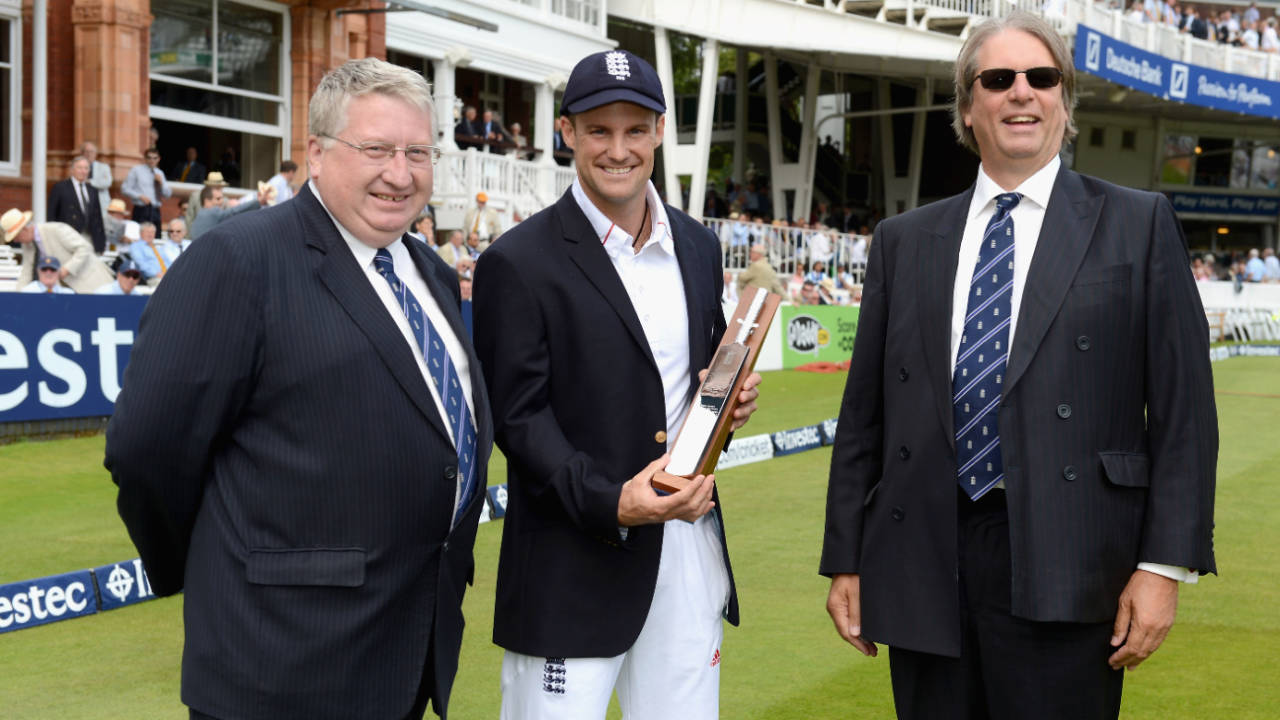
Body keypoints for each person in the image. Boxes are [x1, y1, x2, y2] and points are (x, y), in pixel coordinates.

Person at [820, 13, 1218, 720]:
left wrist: (1161, 569)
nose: (1021, 94)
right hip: (923, 563)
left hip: (1071, 561)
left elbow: (1186, 417)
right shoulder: (903, 241)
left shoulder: (1137, 222)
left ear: (1064, 99)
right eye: (998, 79)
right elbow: (865, 418)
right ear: (967, 106)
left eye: (1042, 77)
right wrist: (846, 557)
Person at [105, 57, 491, 720]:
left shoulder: (427, 267)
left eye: (417, 152)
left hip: (404, 652)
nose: (400, 174)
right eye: (375, 149)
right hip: (280, 668)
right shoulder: (238, 260)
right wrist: (210, 567)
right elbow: (147, 450)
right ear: (316, 153)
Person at [473, 48, 762, 720]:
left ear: (661, 131)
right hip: (570, 566)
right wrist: (613, 503)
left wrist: (727, 405)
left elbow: (696, 377)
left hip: (688, 550)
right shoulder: (516, 262)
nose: (618, 149)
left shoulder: (697, 245)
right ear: (567, 132)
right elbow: (519, 420)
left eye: (635, 130)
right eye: (598, 130)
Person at [3, 207, 115, 294]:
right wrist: (18, 297)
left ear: (25, 229)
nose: (16, 241)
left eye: (16, 236)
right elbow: (26, 273)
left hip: (93, 283)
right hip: (68, 291)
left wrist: (66, 269)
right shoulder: (27, 245)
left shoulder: (56, 229)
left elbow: (84, 248)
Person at [48, 155, 107, 252]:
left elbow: (98, 218)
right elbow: (51, 215)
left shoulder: (92, 190)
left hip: (90, 238)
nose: (83, 171)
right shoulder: (60, 188)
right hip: (68, 237)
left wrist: (102, 242)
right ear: (72, 170)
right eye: (79, 168)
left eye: (86, 168)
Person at [189, 183, 268, 240]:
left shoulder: (200, 215)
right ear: (207, 201)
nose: (221, 201)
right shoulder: (213, 212)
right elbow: (234, 212)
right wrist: (258, 202)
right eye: (218, 199)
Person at [121, 147, 171, 226]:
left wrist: (161, 183)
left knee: (156, 236)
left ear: (159, 159)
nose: (152, 161)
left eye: (155, 158)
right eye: (149, 158)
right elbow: (124, 189)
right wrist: (140, 196)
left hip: (155, 210)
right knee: (140, 235)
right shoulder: (136, 170)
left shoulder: (160, 173)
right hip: (141, 209)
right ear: (145, 158)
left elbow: (168, 195)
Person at [82, 141, 114, 229]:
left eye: (91, 152)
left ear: (95, 154)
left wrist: (90, 181)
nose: (89, 154)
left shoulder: (104, 167)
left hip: (101, 204)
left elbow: (107, 182)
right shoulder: (78, 167)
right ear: (82, 153)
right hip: (83, 203)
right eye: (86, 151)